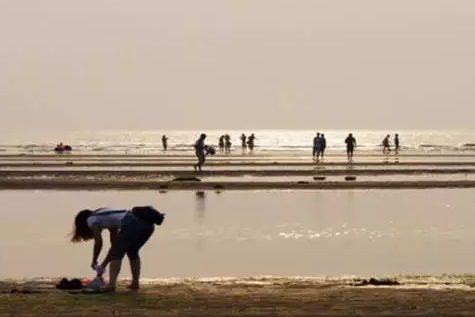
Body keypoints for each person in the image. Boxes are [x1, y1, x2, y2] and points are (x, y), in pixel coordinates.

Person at [70, 206, 165, 292]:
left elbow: (98, 242)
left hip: (131, 223)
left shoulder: (91, 219)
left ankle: (111, 285)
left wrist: (94, 260)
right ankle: (135, 283)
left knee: (117, 254)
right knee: (132, 251)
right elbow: (115, 246)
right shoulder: (107, 216)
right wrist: (102, 266)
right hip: (147, 225)